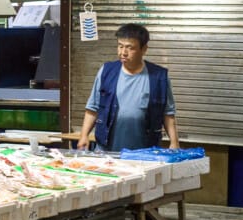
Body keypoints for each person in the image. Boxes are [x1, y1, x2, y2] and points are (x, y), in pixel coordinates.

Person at [77, 23, 179, 152]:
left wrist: (174, 142)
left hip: (145, 151)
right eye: (120, 46)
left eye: (130, 48)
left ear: (144, 49)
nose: (123, 53)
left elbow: (168, 113)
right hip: (106, 149)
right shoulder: (106, 71)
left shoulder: (159, 77)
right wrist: (84, 135)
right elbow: (92, 108)